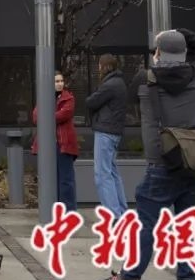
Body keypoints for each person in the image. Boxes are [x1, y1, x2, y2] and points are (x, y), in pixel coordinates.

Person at [97, 28, 195, 280]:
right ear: (184, 52)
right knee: (187, 221)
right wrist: (179, 33)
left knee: (146, 223)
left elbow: (129, 98)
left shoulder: (145, 78)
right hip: (191, 160)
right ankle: (187, 279)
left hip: (161, 162)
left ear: (158, 53)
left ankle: (130, 276)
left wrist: (162, 48)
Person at [87, 53, 128, 218]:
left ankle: (113, 215)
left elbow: (91, 101)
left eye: (99, 65)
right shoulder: (120, 82)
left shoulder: (109, 85)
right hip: (115, 132)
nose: (98, 68)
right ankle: (121, 211)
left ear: (103, 66)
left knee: (102, 174)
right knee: (112, 172)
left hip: (105, 132)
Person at [31, 71, 79, 211]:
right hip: (49, 145)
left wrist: (46, 116)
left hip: (64, 144)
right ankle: (55, 210)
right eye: (56, 81)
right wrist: (48, 116)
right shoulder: (44, 98)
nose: (60, 84)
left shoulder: (68, 98)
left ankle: (69, 212)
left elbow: (64, 114)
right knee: (51, 179)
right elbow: (35, 117)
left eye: (61, 81)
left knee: (66, 180)